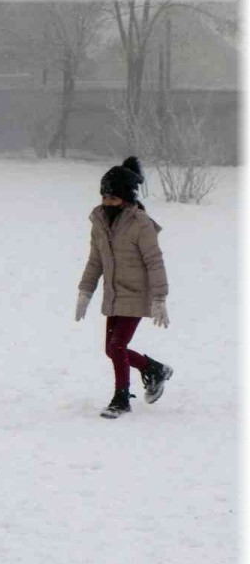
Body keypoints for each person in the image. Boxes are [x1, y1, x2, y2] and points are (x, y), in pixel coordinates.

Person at [75, 157, 172, 419]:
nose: (108, 204)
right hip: (114, 294)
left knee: (117, 346)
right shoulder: (100, 222)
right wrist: (85, 291)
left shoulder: (141, 224)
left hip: (137, 294)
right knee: (111, 349)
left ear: (127, 199)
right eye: (105, 198)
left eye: (114, 199)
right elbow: (95, 260)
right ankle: (154, 368)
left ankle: (121, 398)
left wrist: (160, 298)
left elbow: (154, 261)